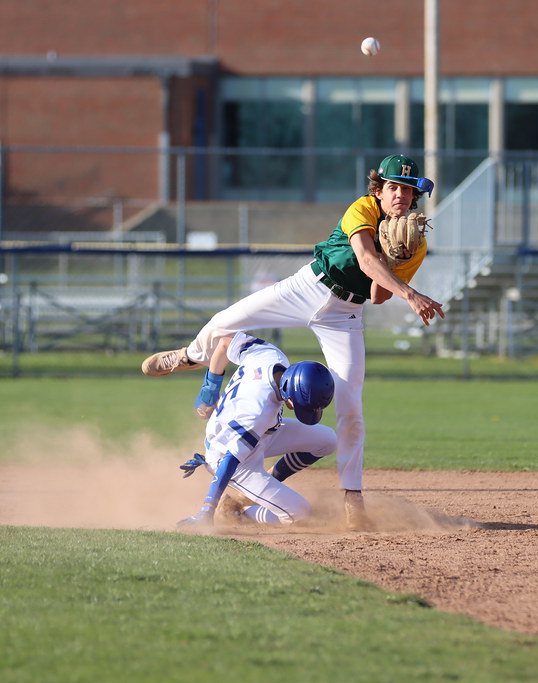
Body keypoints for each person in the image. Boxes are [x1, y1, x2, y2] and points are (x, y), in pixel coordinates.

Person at [144, 154, 444, 530]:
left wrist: (395, 260)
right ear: (379, 190)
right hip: (308, 287)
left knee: (351, 405)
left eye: (408, 189)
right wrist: (410, 293)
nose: (400, 195)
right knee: (225, 321)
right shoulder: (362, 209)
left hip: (344, 316)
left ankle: (353, 499)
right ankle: (190, 355)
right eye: (393, 187)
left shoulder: (415, 245)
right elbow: (366, 258)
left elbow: (377, 294)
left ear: (416, 197)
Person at [176, 332, 336, 531]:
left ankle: (271, 479)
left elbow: (225, 343)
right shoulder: (257, 411)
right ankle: (238, 513)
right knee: (300, 514)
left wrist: (210, 387)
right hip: (228, 456)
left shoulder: (272, 356)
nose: (299, 410)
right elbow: (230, 459)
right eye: (300, 406)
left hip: (262, 433)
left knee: (328, 439)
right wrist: (207, 509)